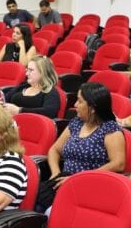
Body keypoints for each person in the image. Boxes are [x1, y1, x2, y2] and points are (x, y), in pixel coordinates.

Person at [38, 82, 124, 210]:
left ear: (93, 108)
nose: (75, 105)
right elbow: (55, 150)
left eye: (79, 101)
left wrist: (79, 178)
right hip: (64, 180)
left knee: (48, 209)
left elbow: (118, 163)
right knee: (33, 198)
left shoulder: (110, 129)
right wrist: (56, 172)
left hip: (91, 184)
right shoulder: (76, 123)